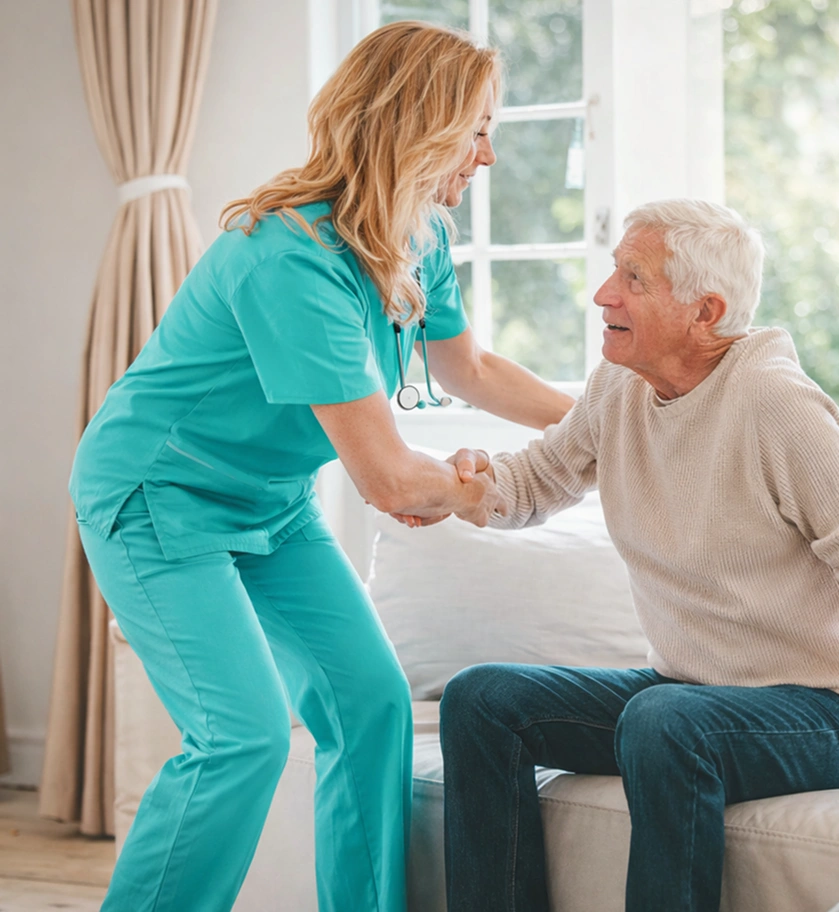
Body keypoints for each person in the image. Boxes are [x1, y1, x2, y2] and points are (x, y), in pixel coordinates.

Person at [68, 21, 572, 912]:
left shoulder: (417, 235)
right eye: (478, 130)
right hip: (157, 497)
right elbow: (387, 478)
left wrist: (612, 421)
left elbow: (473, 370)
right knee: (241, 736)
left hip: (272, 504)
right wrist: (461, 486)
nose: (488, 157)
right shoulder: (289, 256)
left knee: (370, 708)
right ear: (416, 123)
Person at [434, 199, 839, 912]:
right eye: (613, 272)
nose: (604, 294)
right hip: (692, 698)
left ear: (705, 311)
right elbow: (536, 479)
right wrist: (453, 487)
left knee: (664, 718)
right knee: (484, 700)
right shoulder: (621, 384)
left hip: (831, 715)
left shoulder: (777, 406)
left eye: (633, 278)